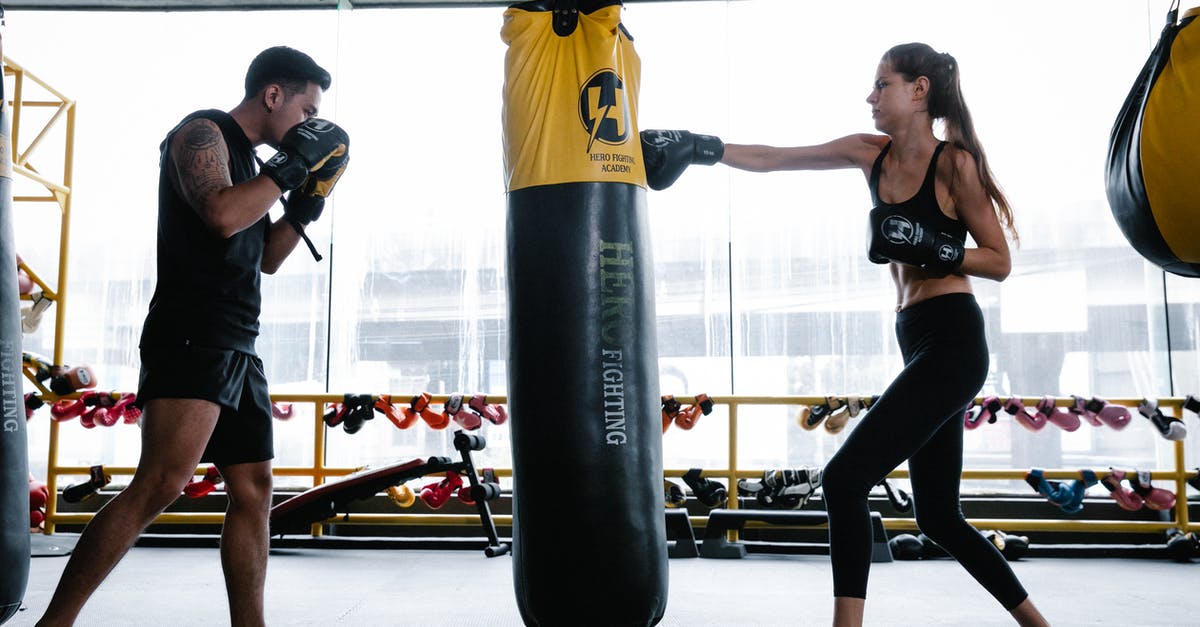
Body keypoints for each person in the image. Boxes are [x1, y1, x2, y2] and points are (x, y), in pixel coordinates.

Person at [640, 43, 1049, 626]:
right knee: (938, 516)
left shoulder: (954, 165)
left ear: (919, 90)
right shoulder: (870, 155)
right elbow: (782, 158)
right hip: (916, 335)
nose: (870, 96)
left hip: (955, 341)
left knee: (844, 479)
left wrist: (935, 246)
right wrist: (705, 148)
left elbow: (1000, 260)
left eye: (882, 84)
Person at [36, 46, 349, 627]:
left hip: (237, 342)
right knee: (159, 483)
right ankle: (54, 623)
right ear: (272, 94)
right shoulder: (201, 133)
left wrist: (309, 200)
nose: (310, 125)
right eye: (306, 111)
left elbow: (268, 259)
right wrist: (289, 170)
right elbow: (222, 216)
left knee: (254, 490)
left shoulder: (259, 169)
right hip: (192, 333)